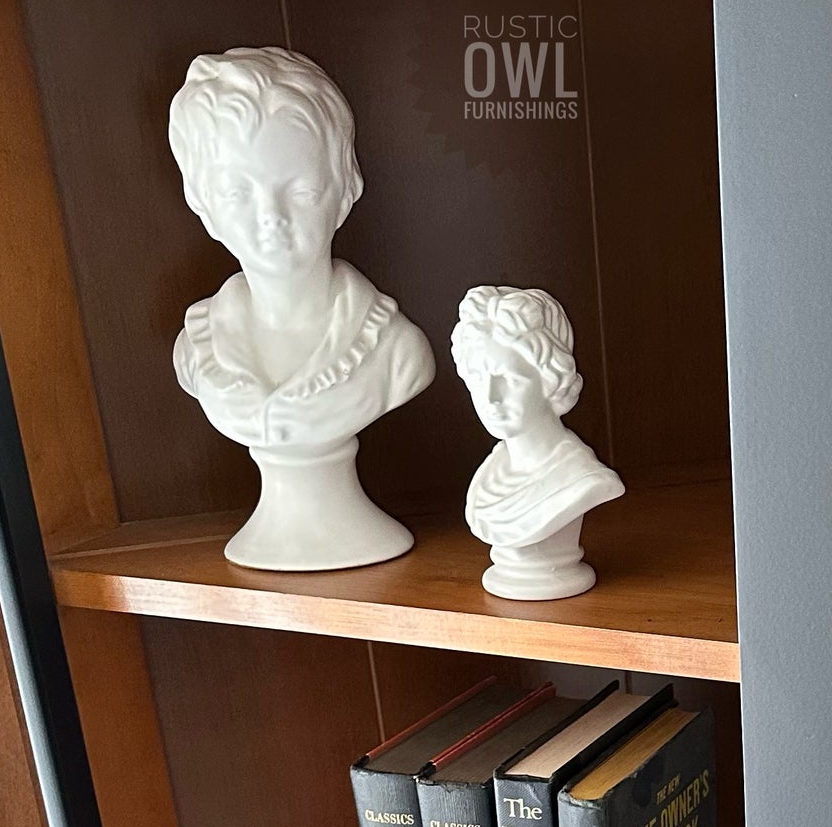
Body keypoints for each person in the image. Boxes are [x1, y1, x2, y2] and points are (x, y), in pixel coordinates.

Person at [169, 47, 433, 569]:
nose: (272, 216)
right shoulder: (196, 351)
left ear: (346, 188)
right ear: (202, 205)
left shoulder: (397, 352)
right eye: (238, 193)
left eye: (302, 190)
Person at [452, 285, 624, 600]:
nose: (491, 397)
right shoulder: (492, 471)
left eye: (509, 379)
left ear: (550, 380)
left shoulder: (583, 479)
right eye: (477, 378)